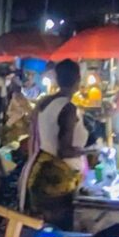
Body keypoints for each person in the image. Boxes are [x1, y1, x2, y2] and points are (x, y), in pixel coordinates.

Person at [21, 59, 89, 224]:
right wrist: (89, 151)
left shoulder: (45, 102)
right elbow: (64, 150)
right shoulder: (68, 108)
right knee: (58, 230)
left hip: (39, 170)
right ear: (78, 80)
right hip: (57, 180)